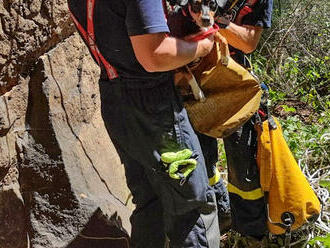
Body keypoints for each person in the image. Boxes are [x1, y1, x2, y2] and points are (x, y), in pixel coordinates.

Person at [67, 0, 222, 247]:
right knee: (191, 207)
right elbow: (154, 55)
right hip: (154, 108)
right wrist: (202, 46)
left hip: (115, 97)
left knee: (151, 202)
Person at [205, 0, 274, 239]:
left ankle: (250, 233)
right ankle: (221, 215)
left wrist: (208, 19)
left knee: (243, 166)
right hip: (193, 79)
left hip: (236, 84)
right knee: (202, 160)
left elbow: (248, 42)